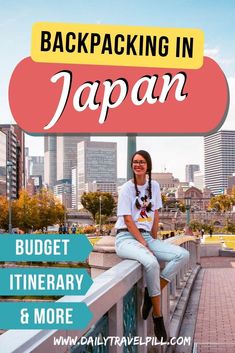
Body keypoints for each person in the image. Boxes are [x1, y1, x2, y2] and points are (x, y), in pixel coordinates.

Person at [115, 150, 189, 341]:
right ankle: (158, 317)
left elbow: (155, 215)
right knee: (152, 263)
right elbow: (128, 221)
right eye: (135, 162)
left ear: (148, 166)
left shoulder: (154, 186)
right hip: (126, 238)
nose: (138, 165)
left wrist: (152, 240)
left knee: (183, 255)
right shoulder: (126, 189)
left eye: (142, 162)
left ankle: (150, 293)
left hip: (146, 236)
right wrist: (144, 245)